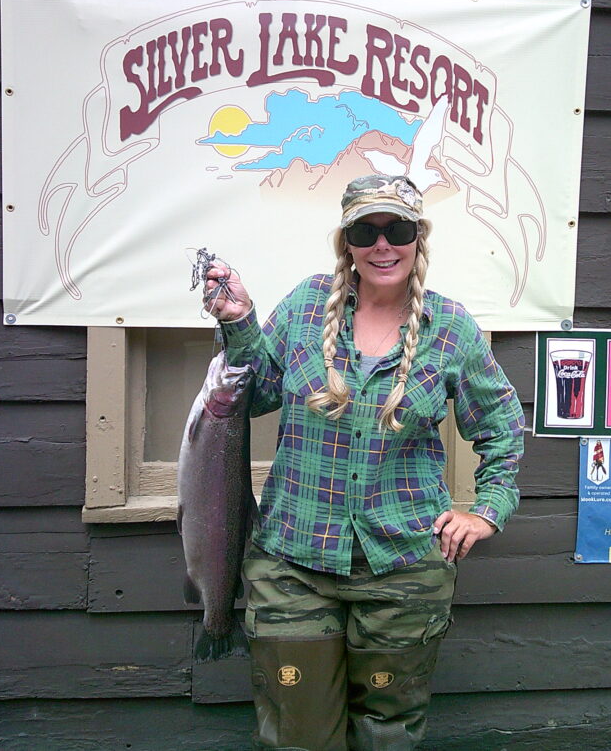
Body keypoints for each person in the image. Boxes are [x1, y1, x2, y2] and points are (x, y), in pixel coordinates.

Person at [204, 174, 524, 751]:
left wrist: (487, 509)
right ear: (346, 242)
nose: (383, 245)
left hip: (403, 566)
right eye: (366, 231)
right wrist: (240, 322)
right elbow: (253, 396)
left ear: (417, 239)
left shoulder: (449, 329)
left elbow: (501, 427)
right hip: (292, 563)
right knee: (298, 736)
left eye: (397, 229)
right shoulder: (304, 307)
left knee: (387, 733)